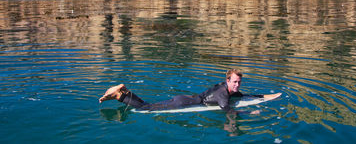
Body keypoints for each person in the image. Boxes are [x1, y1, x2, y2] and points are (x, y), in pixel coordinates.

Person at [99, 69, 281, 113]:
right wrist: (250, 112)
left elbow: (247, 95)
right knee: (146, 109)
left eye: (239, 82)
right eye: (235, 82)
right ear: (228, 81)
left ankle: (123, 92)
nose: (237, 85)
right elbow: (228, 110)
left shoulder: (227, 88)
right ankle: (120, 95)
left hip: (186, 98)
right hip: (186, 103)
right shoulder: (223, 94)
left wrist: (268, 96)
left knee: (149, 105)